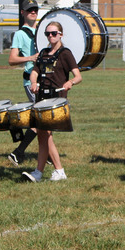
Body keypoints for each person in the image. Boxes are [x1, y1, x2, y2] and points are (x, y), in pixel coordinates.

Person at [22, 21, 82, 182]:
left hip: (56, 99)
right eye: (48, 33)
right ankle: (38, 173)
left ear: (60, 34)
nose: (50, 36)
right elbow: (35, 71)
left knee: (46, 134)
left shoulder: (65, 54)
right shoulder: (43, 53)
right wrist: (33, 82)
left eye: (54, 33)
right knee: (42, 135)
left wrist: (70, 83)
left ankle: (59, 170)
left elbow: (78, 76)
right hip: (42, 98)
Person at [7, 0, 40, 166]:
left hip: (44, 79)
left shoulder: (43, 30)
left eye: (35, 9)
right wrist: (30, 58)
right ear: (23, 13)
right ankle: (19, 151)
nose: (33, 12)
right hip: (30, 80)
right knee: (42, 119)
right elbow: (12, 59)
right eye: (29, 10)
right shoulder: (20, 34)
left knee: (45, 119)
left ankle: (46, 154)